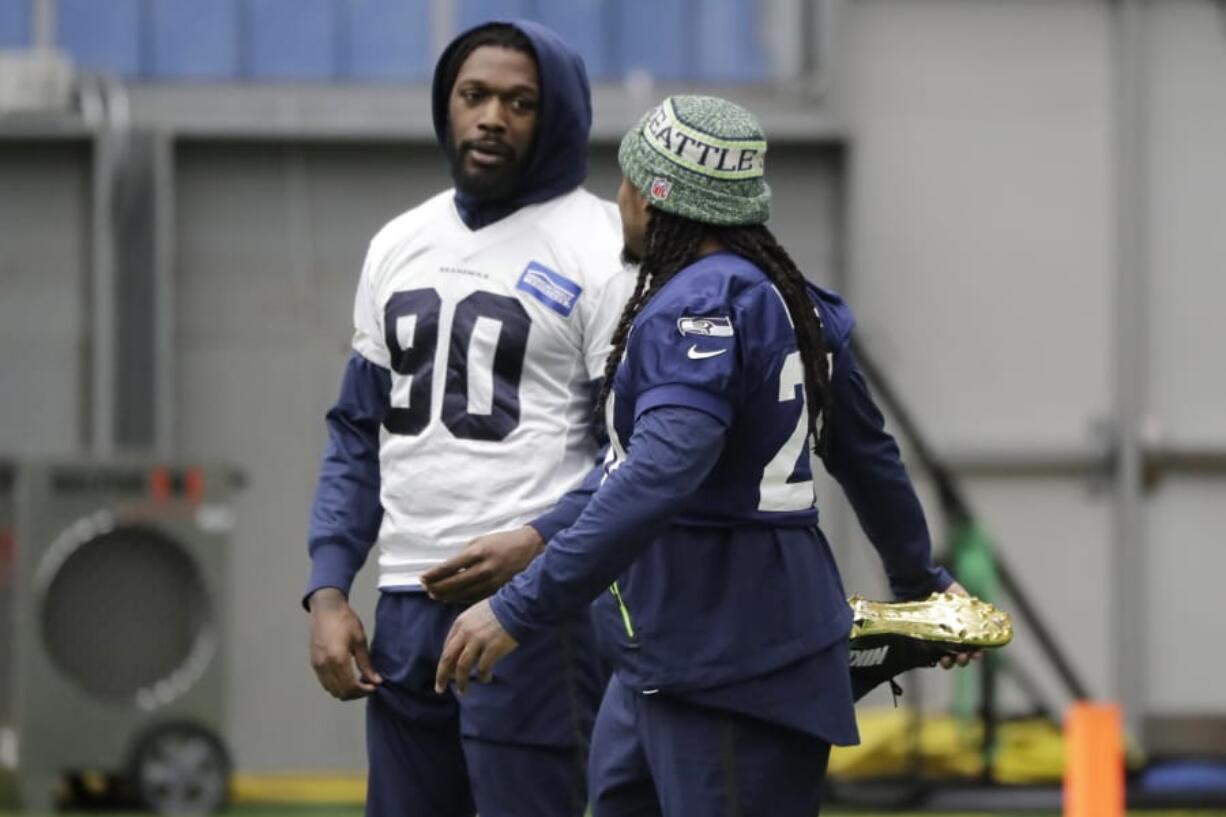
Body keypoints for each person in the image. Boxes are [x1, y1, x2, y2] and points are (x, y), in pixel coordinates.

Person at [435, 95, 977, 816]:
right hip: (669, 663)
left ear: (655, 195)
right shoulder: (794, 302)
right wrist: (920, 584)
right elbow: (869, 462)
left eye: (628, 180)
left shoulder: (690, 308)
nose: (618, 198)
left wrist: (517, 609)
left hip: (723, 666)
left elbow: (663, 472)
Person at [303, 20, 634, 817]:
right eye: (473, 95)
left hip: (534, 605)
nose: (491, 117)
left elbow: (634, 452)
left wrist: (539, 540)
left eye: (519, 102)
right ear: (445, 105)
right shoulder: (399, 241)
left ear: (557, 115)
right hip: (407, 601)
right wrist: (328, 588)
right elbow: (357, 431)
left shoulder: (604, 245)